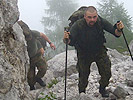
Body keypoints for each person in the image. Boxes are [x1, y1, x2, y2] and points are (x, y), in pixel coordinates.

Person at [63, 6, 124, 97]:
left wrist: (119, 29)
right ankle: (82, 94)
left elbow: (115, 33)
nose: (92, 19)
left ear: (97, 15)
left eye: (94, 17)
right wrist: (66, 38)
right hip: (83, 53)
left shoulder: (100, 21)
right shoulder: (78, 25)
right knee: (83, 76)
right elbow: (69, 42)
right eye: (89, 17)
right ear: (85, 16)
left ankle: (102, 89)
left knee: (107, 72)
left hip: (99, 50)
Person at [18, 20, 56, 90]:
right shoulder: (19, 37)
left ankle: (38, 78)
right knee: (30, 77)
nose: (29, 38)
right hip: (28, 59)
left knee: (43, 68)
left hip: (37, 55)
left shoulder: (33, 33)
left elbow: (42, 35)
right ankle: (32, 87)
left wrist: (50, 43)